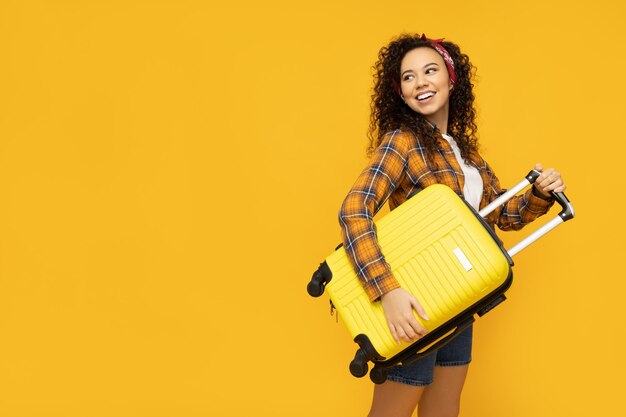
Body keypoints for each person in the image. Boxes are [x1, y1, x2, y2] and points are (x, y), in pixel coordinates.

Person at [337, 33, 566, 417]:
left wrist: (541, 193)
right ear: (400, 92)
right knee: (393, 409)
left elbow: (499, 217)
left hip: (459, 295)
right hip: (417, 300)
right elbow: (353, 210)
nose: (421, 82)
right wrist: (387, 292)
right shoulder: (403, 141)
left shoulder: (465, 151)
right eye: (409, 77)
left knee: (444, 409)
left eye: (430, 71)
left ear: (451, 78)